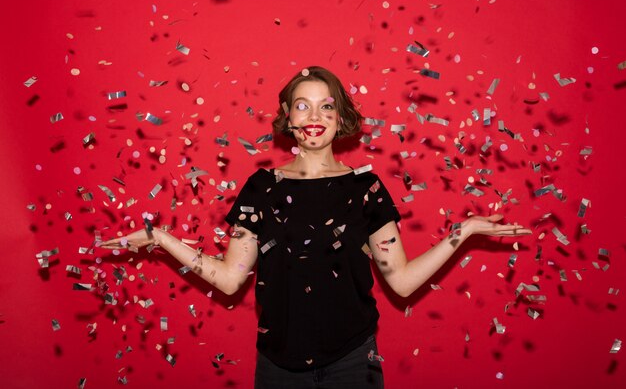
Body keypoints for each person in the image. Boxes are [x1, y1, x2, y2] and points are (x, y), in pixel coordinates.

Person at [102, 66, 531, 388]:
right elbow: (231, 279)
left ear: (340, 118)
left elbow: (400, 282)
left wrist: (465, 232)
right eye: (302, 105)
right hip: (278, 367)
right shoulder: (261, 188)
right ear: (287, 117)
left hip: (352, 362)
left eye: (326, 105)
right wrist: (159, 238)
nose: (314, 115)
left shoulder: (366, 188)